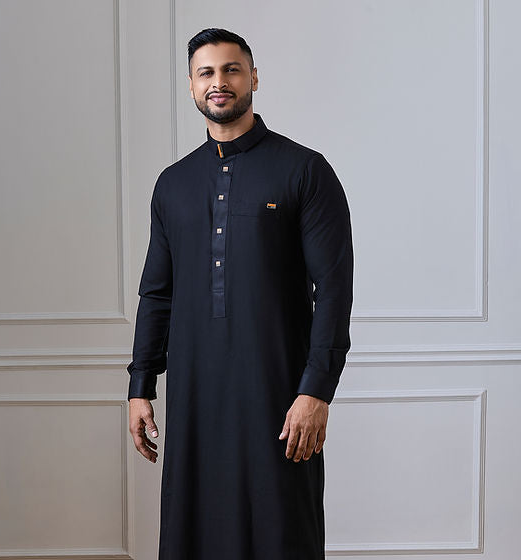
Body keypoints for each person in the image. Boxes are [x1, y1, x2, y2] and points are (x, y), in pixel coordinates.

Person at [127, 27, 354, 560]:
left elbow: (334, 289)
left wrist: (316, 391)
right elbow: (157, 293)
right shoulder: (173, 184)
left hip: (278, 392)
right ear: (190, 85)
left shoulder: (305, 170)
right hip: (195, 395)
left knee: (281, 530)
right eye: (205, 72)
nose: (219, 82)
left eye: (231, 69)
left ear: (253, 77)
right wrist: (140, 385)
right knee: (196, 529)